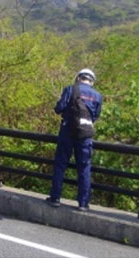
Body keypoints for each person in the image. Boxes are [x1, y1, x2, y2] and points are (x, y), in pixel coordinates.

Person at [46, 69, 102, 211]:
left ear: (78, 78)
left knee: (60, 165)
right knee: (84, 168)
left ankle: (55, 198)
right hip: (85, 135)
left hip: (67, 132)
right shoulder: (97, 96)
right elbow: (95, 116)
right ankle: (83, 203)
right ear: (92, 81)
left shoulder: (70, 90)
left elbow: (59, 108)